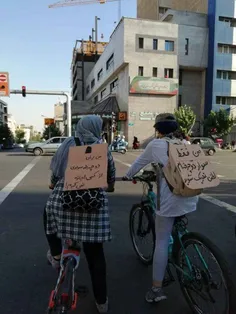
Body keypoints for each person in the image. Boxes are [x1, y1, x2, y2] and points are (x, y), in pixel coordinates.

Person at [123, 113, 198, 303]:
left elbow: (137, 165)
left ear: (158, 129)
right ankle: (184, 249)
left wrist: (127, 176)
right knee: (177, 225)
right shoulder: (185, 144)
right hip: (191, 195)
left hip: (171, 199)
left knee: (162, 241)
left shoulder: (156, 145)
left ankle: (156, 290)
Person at [44, 115, 116, 313]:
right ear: (97, 128)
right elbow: (110, 184)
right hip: (93, 209)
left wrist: (56, 183)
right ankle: (102, 302)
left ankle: (57, 255)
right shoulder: (103, 149)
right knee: (96, 257)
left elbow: (55, 174)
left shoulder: (69, 143)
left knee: (48, 212)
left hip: (64, 205)